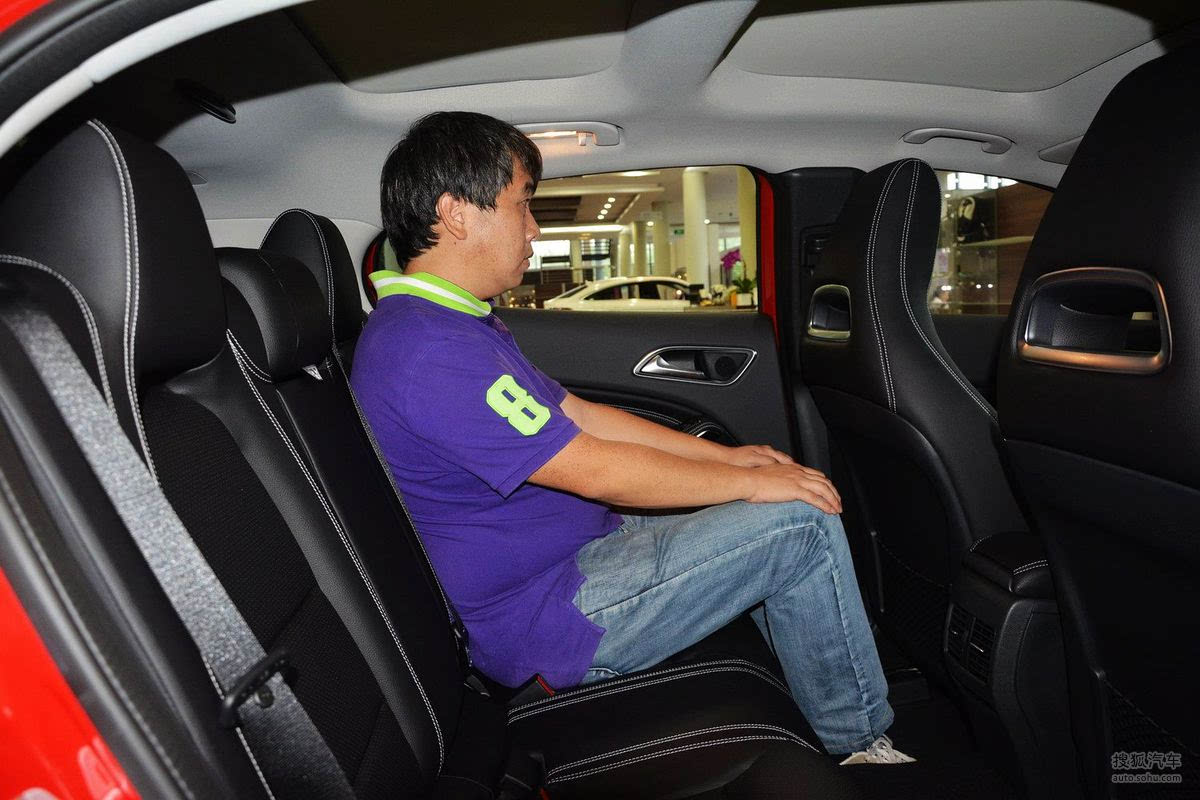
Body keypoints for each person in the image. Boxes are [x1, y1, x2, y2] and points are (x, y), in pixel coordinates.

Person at [351, 111, 911, 764]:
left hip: (577, 554)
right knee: (800, 523)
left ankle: (814, 689)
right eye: (522, 204)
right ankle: (860, 743)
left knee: (768, 498)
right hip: (548, 614)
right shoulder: (427, 349)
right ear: (455, 213)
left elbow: (583, 415)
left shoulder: (453, 325)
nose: (534, 229)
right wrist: (752, 485)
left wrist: (729, 458)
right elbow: (594, 469)